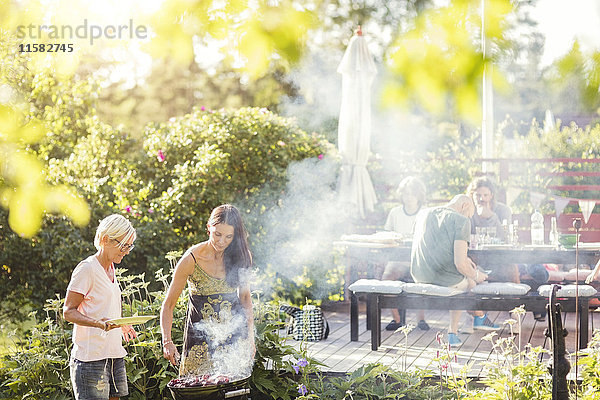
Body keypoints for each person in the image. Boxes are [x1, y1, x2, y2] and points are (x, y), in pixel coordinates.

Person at [161, 204, 255, 378]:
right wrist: (167, 341)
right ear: (209, 227)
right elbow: (168, 304)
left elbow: (245, 298)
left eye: (228, 237)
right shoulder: (191, 259)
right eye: (217, 234)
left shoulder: (242, 256)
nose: (221, 241)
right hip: (199, 341)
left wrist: (250, 338)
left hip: (233, 336)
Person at [63, 214, 138, 400]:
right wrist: (98, 323)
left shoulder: (112, 269)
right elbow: (68, 311)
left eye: (130, 246)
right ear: (106, 239)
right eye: (124, 246)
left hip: (113, 355)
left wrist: (121, 325)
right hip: (91, 359)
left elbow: (103, 308)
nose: (127, 251)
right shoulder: (87, 269)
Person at [410, 195, 499, 347]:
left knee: (464, 275)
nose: (469, 219)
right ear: (465, 205)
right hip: (445, 280)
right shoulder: (461, 220)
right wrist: (478, 275)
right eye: (470, 215)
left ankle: (475, 320)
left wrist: (466, 263)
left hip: (419, 276)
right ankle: (472, 321)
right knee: (468, 281)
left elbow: (437, 247)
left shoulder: (423, 214)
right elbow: (459, 265)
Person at [381, 176, 429, 331]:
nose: (408, 198)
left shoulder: (425, 213)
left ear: (419, 195)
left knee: (423, 281)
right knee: (386, 279)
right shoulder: (395, 213)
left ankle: (421, 318)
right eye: (405, 194)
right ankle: (397, 319)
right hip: (397, 259)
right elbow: (387, 235)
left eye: (412, 194)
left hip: (419, 260)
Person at [467, 176, 519, 283]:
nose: (482, 199)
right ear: (472, 196)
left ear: (491, 195)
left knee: (513, 267)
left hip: (499, 257)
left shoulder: (503, 210)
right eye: (478, 195)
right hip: (476, 257)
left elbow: (506, 238)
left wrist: (492, 217)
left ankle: (514, 297)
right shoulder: (468, 212)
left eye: (485, 195)